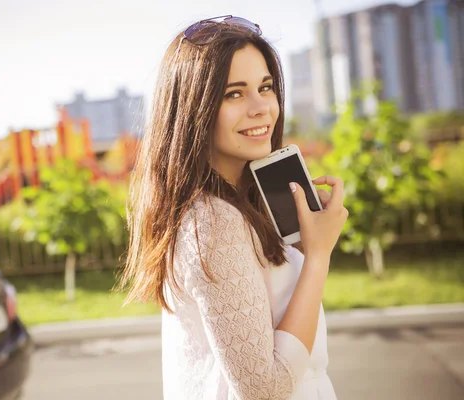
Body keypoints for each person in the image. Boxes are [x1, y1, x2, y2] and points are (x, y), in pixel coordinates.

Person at [118, 15, 348, 400]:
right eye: (234, 94)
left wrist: (305, 247)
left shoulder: (238, 202)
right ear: (195, 110)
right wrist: (318, 258)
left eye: (266, 87)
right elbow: (264, 389)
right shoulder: (214, 222)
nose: (261, 108)